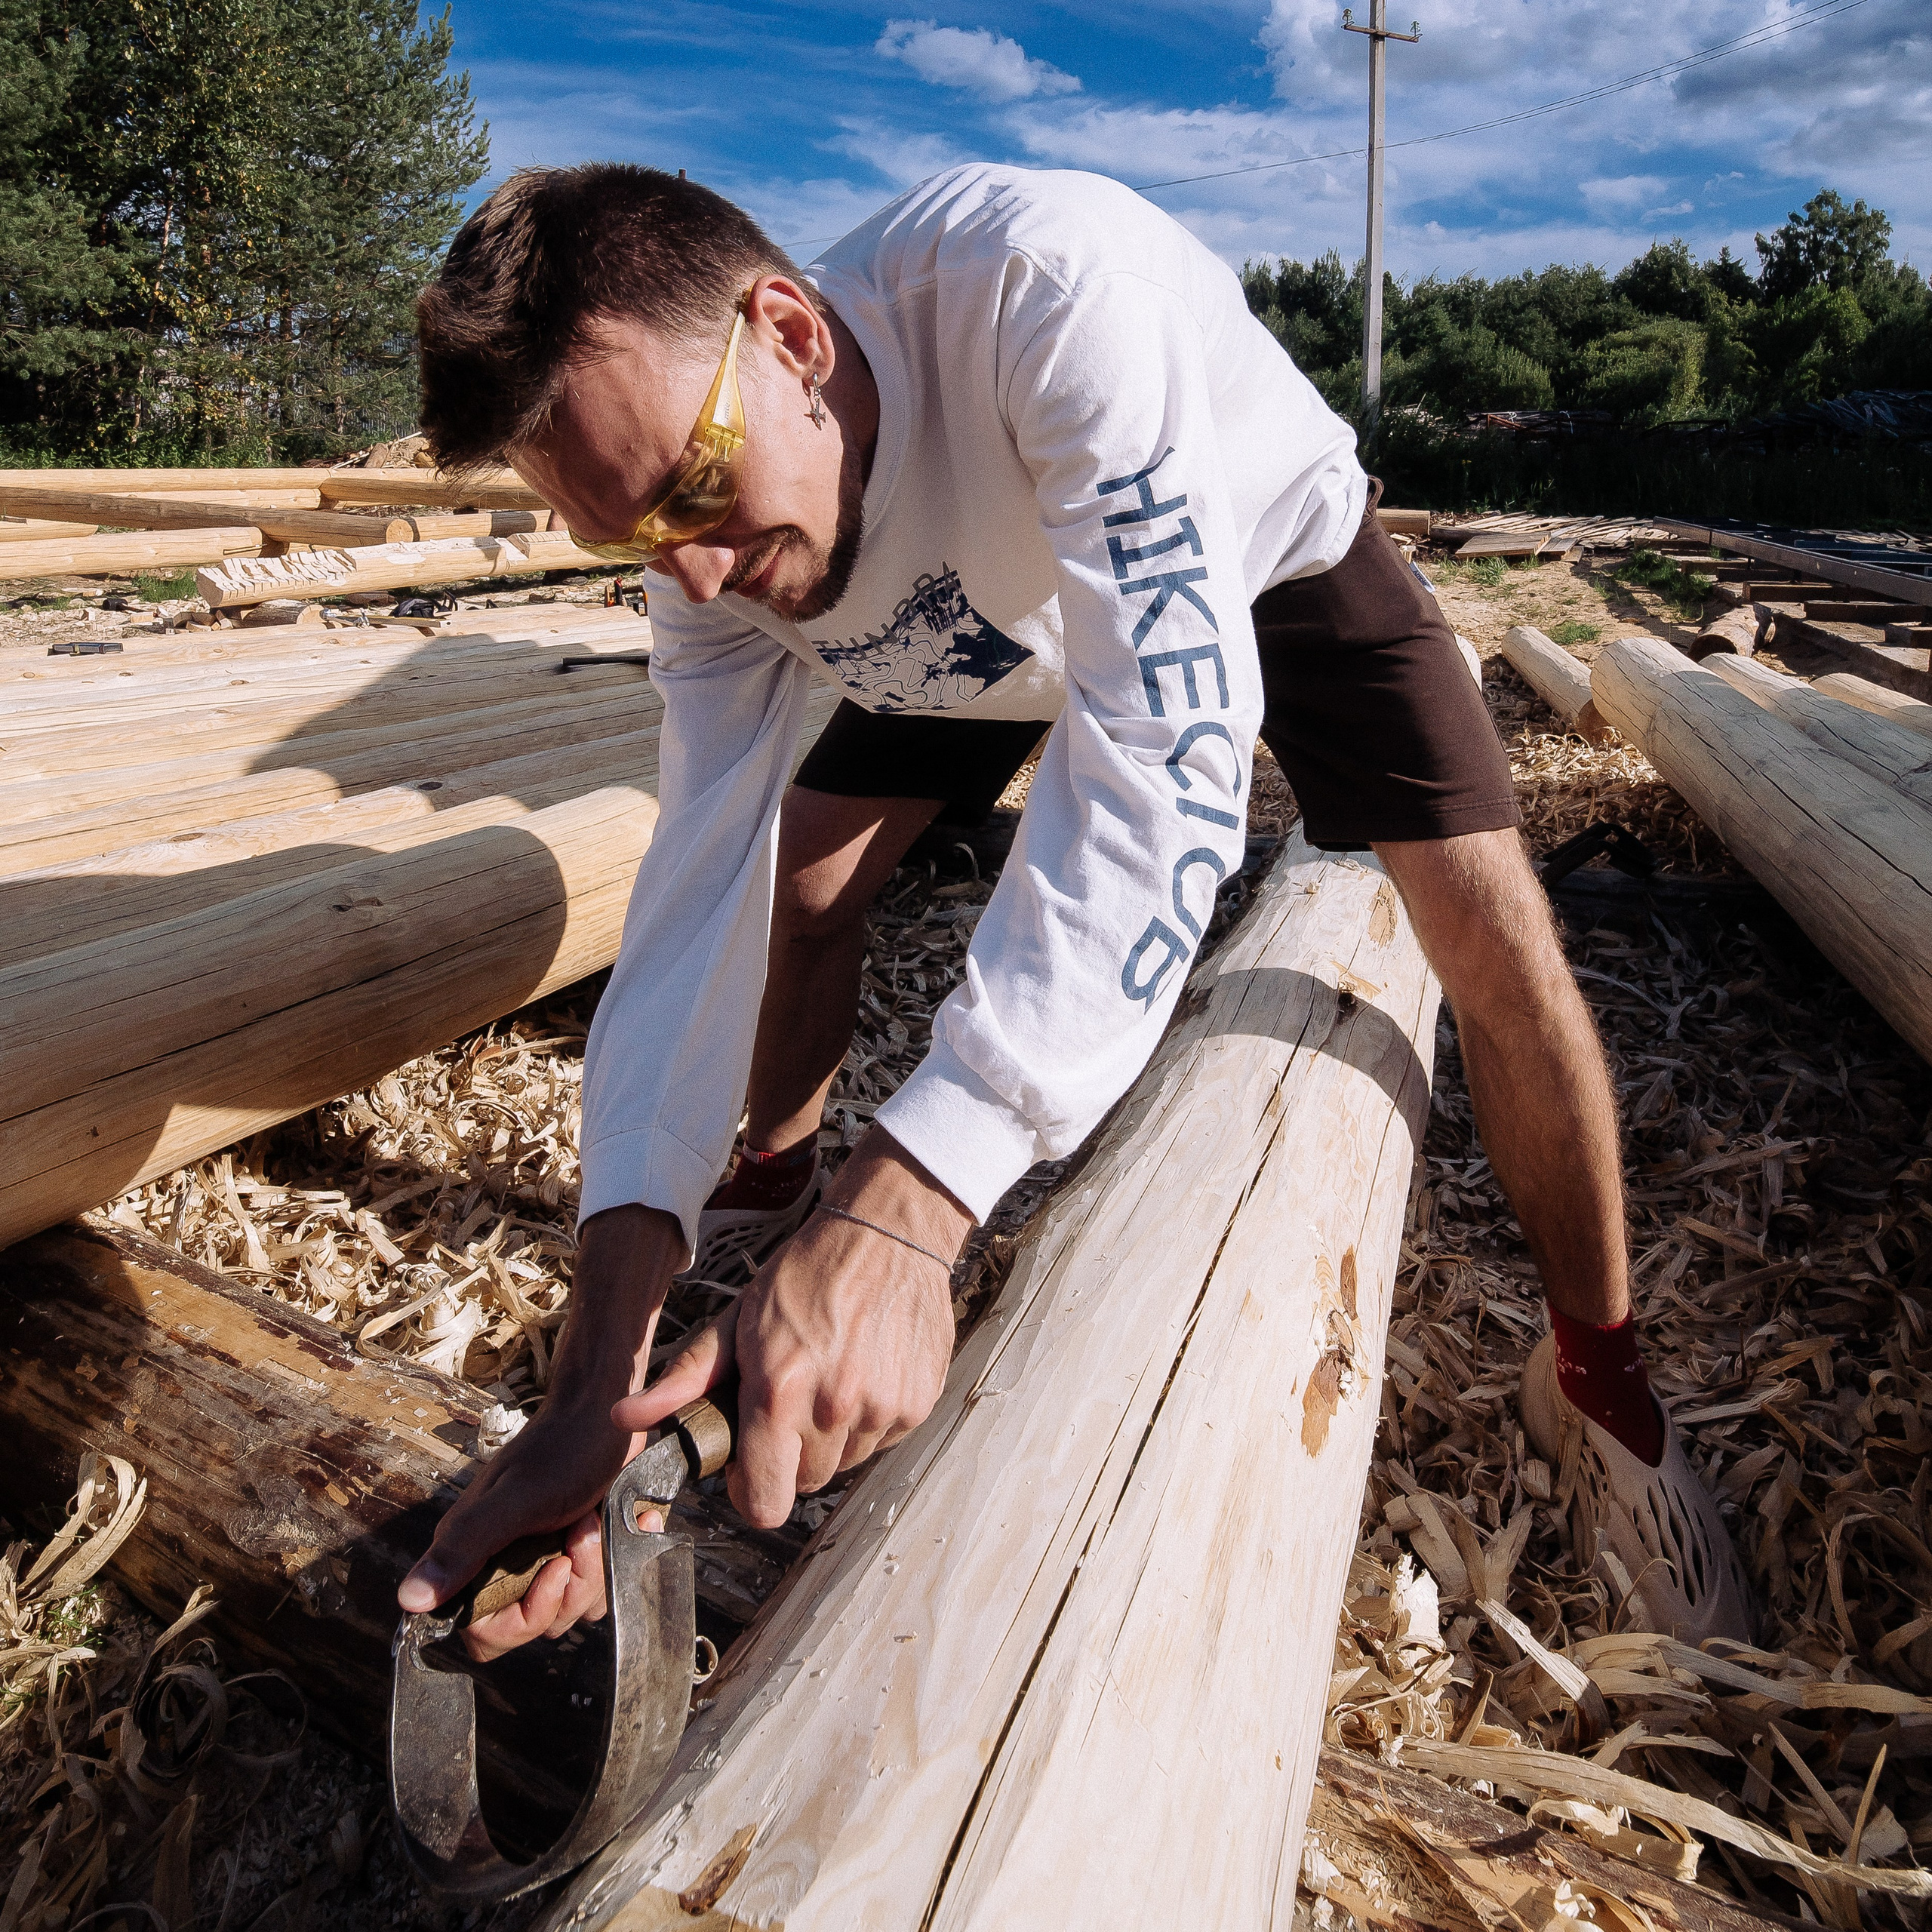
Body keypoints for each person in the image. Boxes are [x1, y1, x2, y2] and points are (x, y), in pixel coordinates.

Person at [396, 162, 1752, 1661]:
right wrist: (597, 1375)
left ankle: (1603, 1382)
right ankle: (769, 1188)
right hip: (963, 622)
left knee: (1495, 946)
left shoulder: (1051, 294)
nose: (697, 574)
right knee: (798, 873)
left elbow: (1165, 756)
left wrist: (907, 1209)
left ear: (791, 335)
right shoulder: (709, 543)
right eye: (633, 539)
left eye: (693, 492)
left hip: (1261, 558)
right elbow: (692, 882)